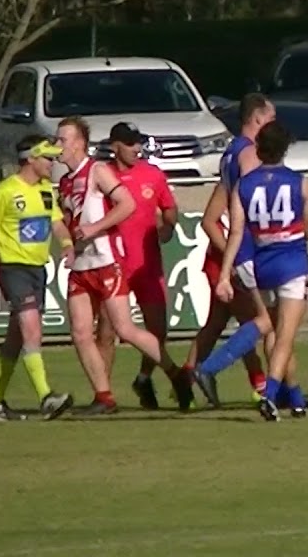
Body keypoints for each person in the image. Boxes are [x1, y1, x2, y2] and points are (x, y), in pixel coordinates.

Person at [55, 118, 193, 414]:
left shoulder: (98, 171)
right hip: (81, 264)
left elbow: (126, 204)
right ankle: (104, 396)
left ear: (80, 142)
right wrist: (68, 246)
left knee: (125, 329)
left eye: (63, 140)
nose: (58, 146)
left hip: (107, 260)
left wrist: (94, 229)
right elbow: (68, 220)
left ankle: (174, 373)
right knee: (81, 333)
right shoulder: (66, 181)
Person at [215, 121, 308, 421]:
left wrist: (223, 274)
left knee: (272, 329)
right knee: (284, 336)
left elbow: (235, 232)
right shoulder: (301, 182)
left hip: (262, 264)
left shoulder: (244, 185)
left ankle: (296, 399)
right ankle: (270, 395)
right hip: (292, 261)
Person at [0, 136, 76, 422]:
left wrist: (67, 244)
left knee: (16, 338)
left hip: (38, 269)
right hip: (14, 269)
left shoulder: (46, 190)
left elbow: (56, 222)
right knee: (32, 331)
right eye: (47, 159)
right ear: (31, 158)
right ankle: (46, 396)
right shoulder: (5, 191)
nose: (52, 164)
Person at [191, 94, 279, 405]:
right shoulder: (250, 155)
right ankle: (268, 388)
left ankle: (188, 379)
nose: (275, 125)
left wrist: (229, 254)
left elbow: (210, 219)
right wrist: (240, 251)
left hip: (240, 255)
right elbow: (257, 209)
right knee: (269, 322)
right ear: (257, 119)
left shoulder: (230, 154)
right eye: (272, 118)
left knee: (221, 322)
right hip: (255, 253)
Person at [101, 122, 182, 409]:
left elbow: (170, 208)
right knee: (107, 331)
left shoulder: (153, 174)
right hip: (113, 264)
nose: (136, 148)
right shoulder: (103, 176)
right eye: (130, 143)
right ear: (115, 146)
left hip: (147, 265)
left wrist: (168, 226)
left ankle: (144, 378)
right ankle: (104, 394)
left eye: (138, 142)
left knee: (157, 330)